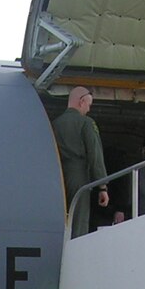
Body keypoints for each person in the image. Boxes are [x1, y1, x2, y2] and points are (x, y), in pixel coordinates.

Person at [50, 86, 109, 236]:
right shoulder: (86, 123)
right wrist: (102, 186)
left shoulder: (54, 125)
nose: (88, 110)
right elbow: (95, 154)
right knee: (79, 221)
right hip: (79, 175)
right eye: (88, 105)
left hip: (58, 177)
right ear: (82, 102)